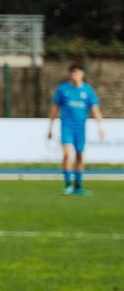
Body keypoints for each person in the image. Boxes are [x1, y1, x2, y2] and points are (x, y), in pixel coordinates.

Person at [48, 65, 104, 195]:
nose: (75, 76)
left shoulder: (88, 90)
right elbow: (55, 108)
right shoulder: (63, 89)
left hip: (80, 129)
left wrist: (100, 127)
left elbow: (94, 109)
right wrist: (50, 127)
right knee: (67, 154)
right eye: (73, 73)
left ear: (82, 74)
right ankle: (68, 184)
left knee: (79, 156)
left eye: (77, 73)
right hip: (66, 127)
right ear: (70, 75)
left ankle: (78, 186)